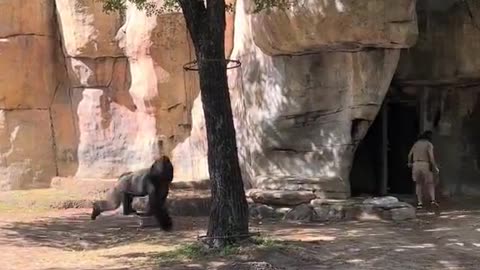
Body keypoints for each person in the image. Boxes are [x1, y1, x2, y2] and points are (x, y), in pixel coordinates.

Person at [407, 130, 440, 209]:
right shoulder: (429, 144)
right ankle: (432, 200)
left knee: (418, 184)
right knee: (430, 183)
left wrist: (409, 163)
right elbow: (431, 157)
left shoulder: (416, 144)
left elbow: (409, 154)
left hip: (415, 164)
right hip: (425, 164)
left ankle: (419, 203)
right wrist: (435, 166)